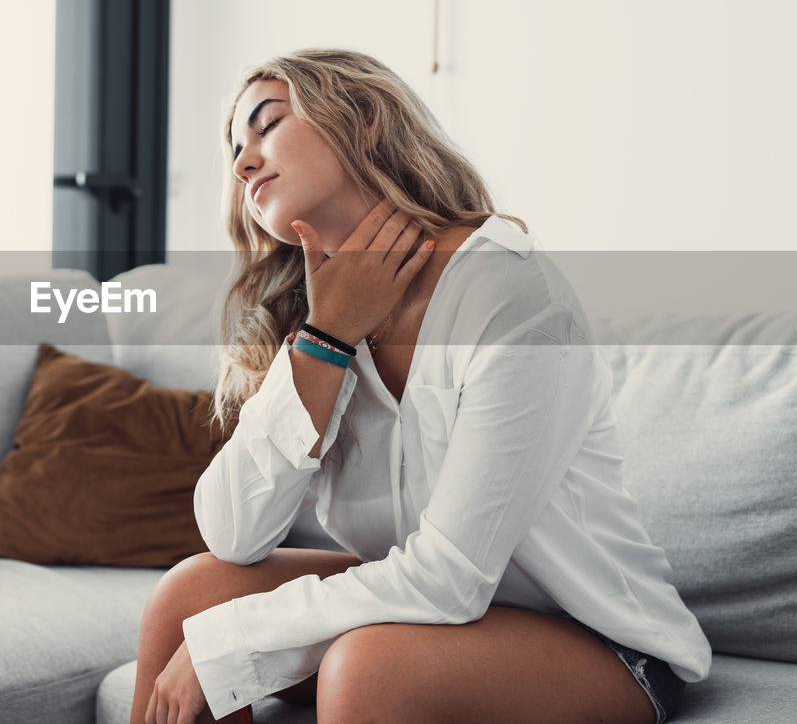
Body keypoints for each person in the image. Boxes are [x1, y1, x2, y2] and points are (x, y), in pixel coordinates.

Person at [130, 49, 711, 724]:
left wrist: (231, 641)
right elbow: (230, 534)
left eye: (266, 125)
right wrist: (328, 338)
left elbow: (451, 576)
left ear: (365, 121)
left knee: (367, 670)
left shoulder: (509, 290)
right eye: (235, 147)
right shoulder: (316, 322)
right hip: (427, 619)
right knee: (188, 599)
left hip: (603, 643)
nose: (243, 163)